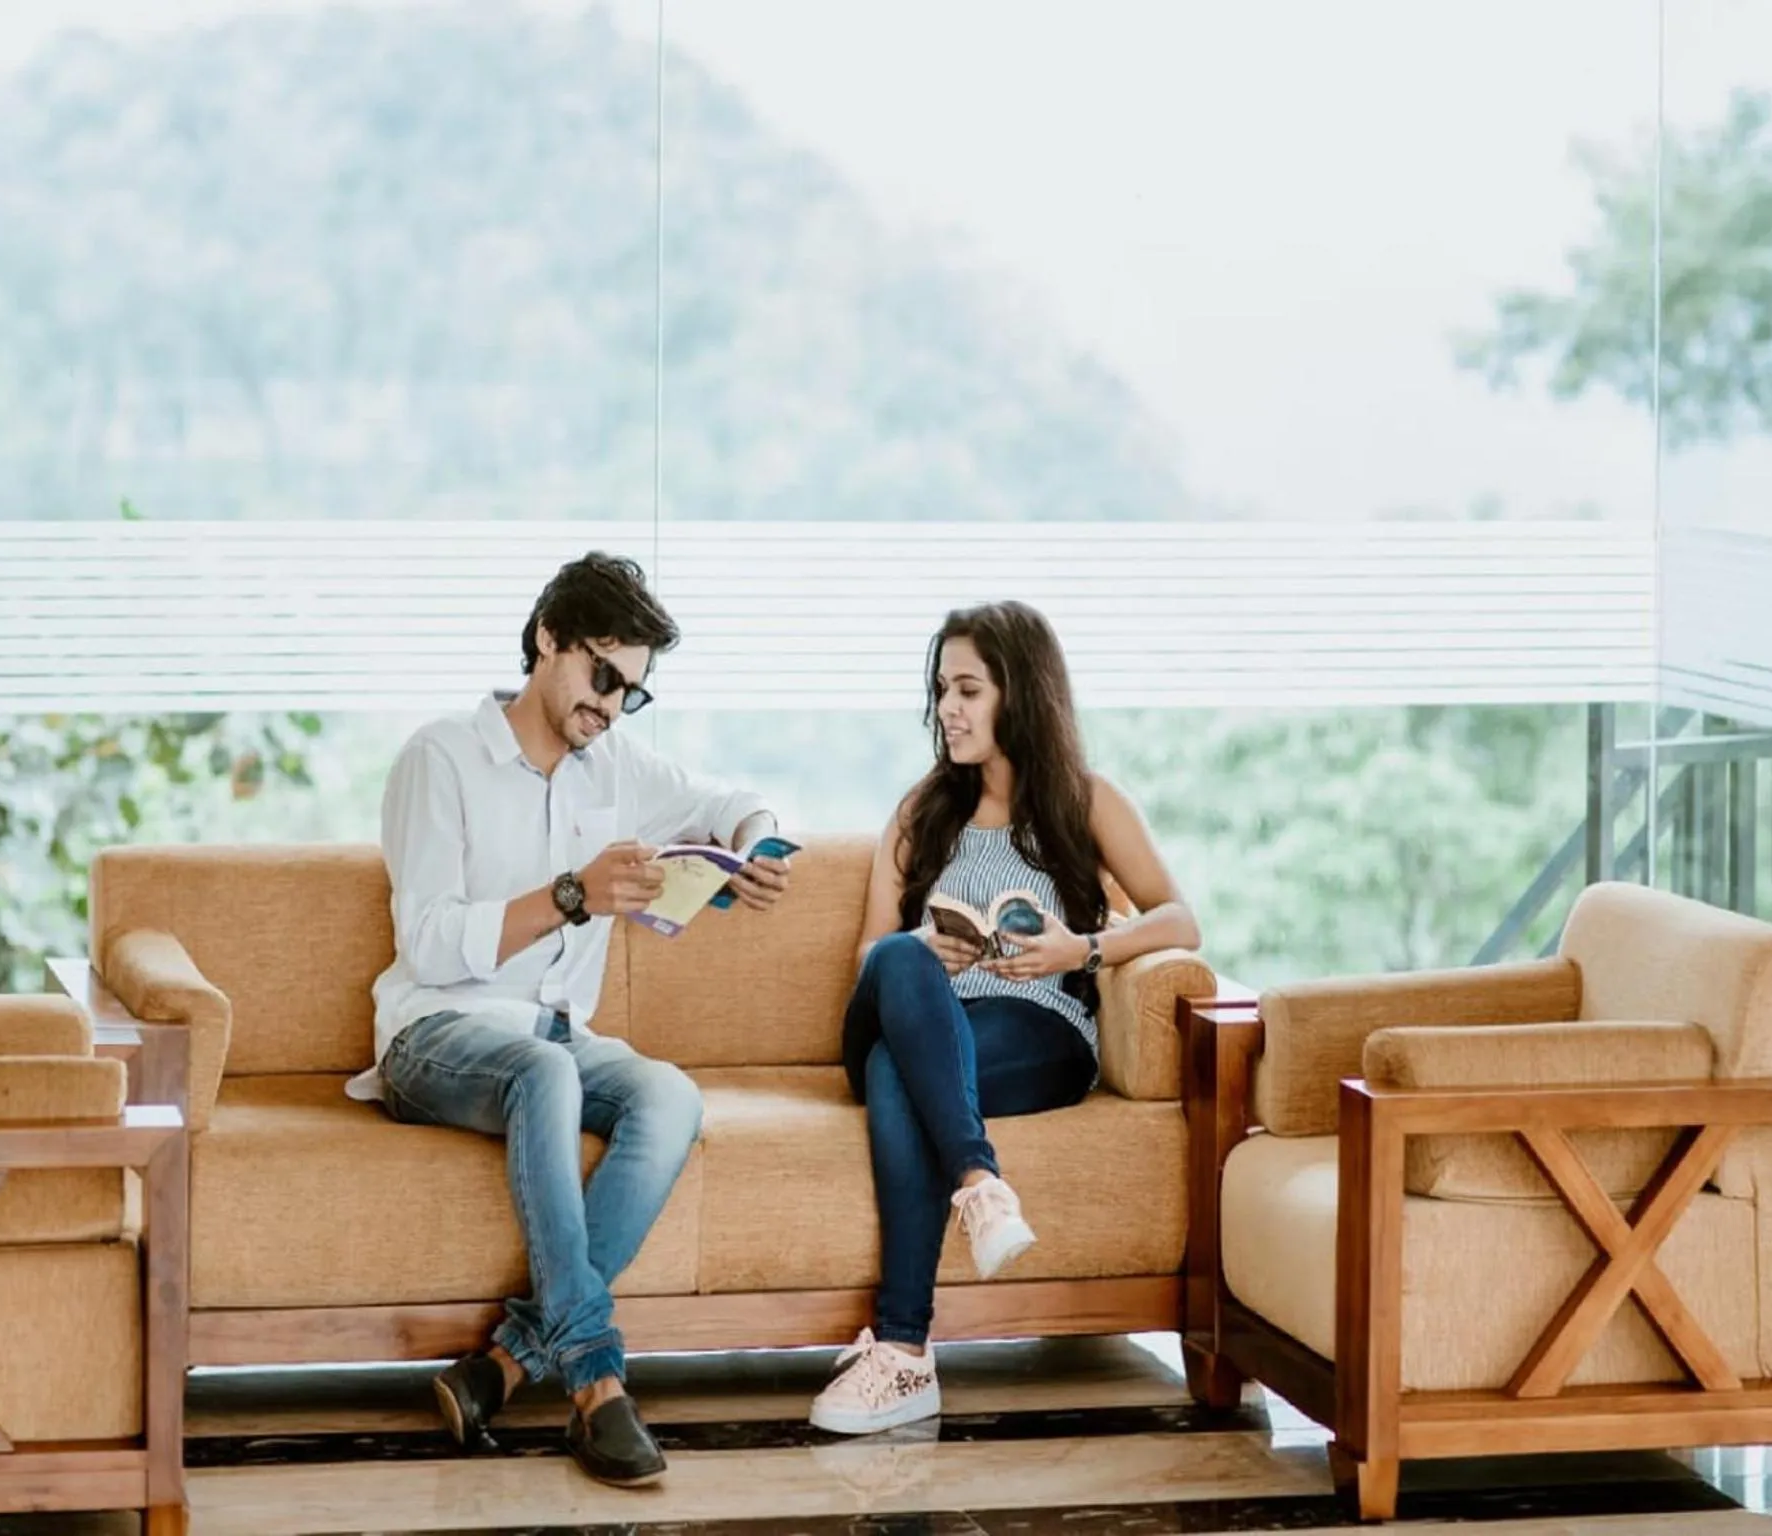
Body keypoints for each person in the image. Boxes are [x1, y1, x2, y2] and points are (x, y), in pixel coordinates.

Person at [348, 552, 792, 1486]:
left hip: (553, 1035)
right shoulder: (441, 758)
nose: (612, 706)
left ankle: (506, 1365)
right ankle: (595, 1381)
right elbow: (428, 944)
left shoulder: (615, 765)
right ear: (548, 638)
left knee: (668, 1095)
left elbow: (730, 799)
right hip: (435, 1034)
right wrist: (572, 896)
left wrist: (754, 844)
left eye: (633, 691)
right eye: (603, 675)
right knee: (543, 1073)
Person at [809, 601, 1201, 1435]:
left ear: (1019, 693)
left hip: (1038, 1032)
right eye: (942, 689)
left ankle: (906, 1356)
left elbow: (1180, 921)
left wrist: (1082, 951)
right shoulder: (922, 812)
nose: (947, 708)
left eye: (968, 689)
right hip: (926, 1019)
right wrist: (925, 948)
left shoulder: (1088, 803)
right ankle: (980, 1184)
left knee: (895, 1075)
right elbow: (868, 962)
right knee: (898, 963)